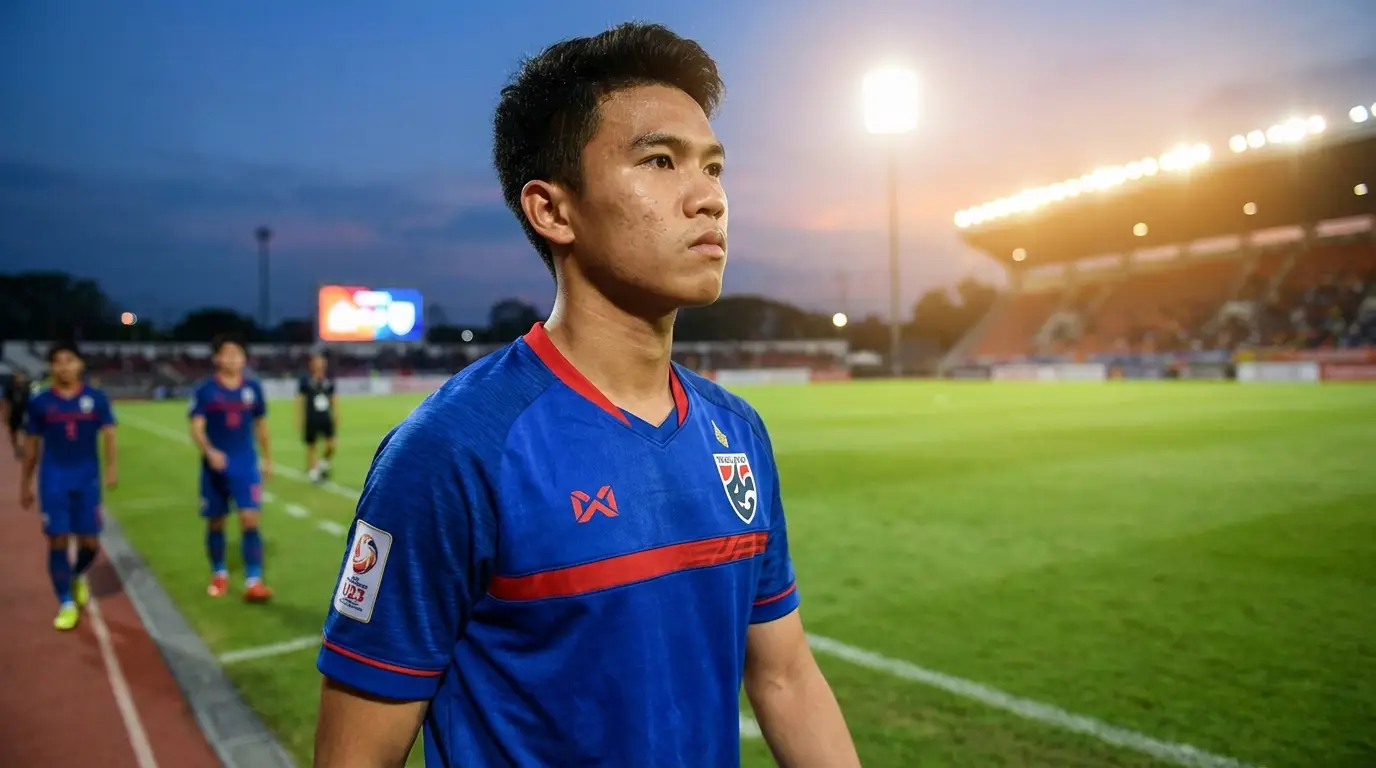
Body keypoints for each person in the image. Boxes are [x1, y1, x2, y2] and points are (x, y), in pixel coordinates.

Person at [313, 22, 858, 768]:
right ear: (553, 211)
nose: (708, 199)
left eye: (714, 168)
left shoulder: (737, 432)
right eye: (661, 161)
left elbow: (786, 675)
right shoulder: (452, 452)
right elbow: (355, 757)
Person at [18, 343, 117, 631]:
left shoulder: (96, 399)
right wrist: (26, 483)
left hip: (87, 480)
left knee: (90, 543)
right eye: (57, 362)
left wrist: (111, 468)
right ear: (50, 367)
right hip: (54, 480)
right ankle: (65, 602)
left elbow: (109, 434)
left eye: (69, 361)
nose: (63, 367)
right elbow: (32, 444)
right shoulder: (40, 402)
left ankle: (75, 576)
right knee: (58, 539)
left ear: (80, 365)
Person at [188, 333, 273, 602]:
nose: (233, 358)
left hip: (245, 463)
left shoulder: (253, 388)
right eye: (227, 353)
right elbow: (196, 426)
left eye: (238, 353)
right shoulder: (205, 390)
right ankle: (219, 573)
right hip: (215, 466)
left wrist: (267, 458)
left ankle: (254, 580)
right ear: (217, 358)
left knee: (250, 519)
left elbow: (261, 424)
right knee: (216, 521)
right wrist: (209, 451)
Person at [298, 352, 338, 483]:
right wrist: (300, 417)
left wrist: (336, 415)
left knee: (331, 445)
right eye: (317, 362)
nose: (320, 365)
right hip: (312, 416)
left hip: (325, 416)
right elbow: (300, 399)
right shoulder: (306, 380)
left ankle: (323, 464)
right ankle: (313, 471)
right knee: (312, 445)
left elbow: (333, 399)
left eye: (321, 362)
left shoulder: (328, 381)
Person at [4, 369, 31, 460]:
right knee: (13, 432)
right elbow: (7, 401)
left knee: (24, 431)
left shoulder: (27, 387)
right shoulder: (10, 387)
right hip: (13, 411)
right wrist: (6, 414)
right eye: (18, 377)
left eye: (21, 377)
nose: (20, 378)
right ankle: (16, 447)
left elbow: (31, 401)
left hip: (24, 412)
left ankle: (22, 448)